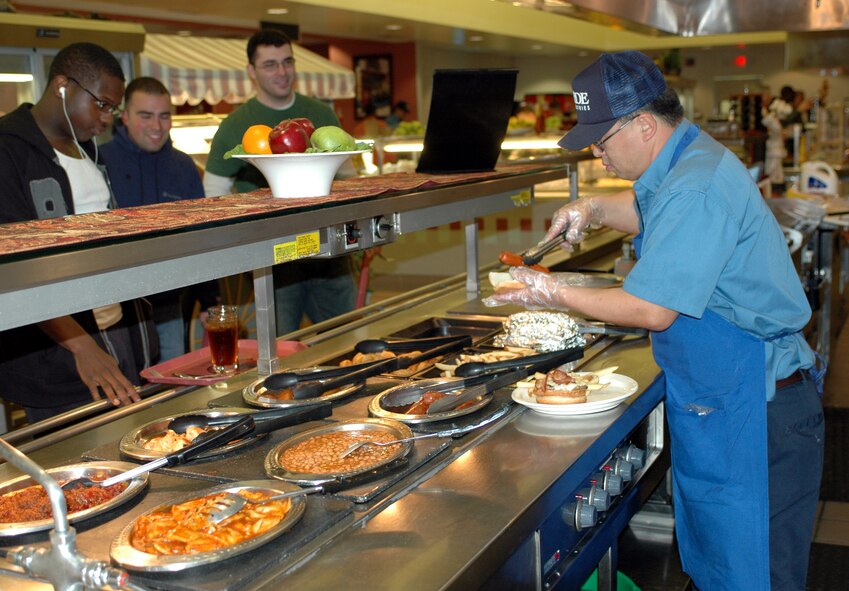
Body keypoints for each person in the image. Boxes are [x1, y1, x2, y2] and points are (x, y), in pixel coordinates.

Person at [485, 51, 823, 591]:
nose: (597, 155)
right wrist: (593, 209)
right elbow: (648, 209)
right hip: (724, 400)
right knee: (724, 570)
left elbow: (651, 308)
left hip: (756, 411)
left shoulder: (696, 184)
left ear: (643, 124)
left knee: (758, 577)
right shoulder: (687, 159)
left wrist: (552, 289)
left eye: (601, 142)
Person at [0, 43, 157, 421]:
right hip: (57, 353)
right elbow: (15, 269)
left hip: (115, 328)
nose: (107, 118)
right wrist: (80, 346)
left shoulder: (85, 148)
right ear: (62, 85)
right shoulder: (8, 150)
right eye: (102, 104)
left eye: (112, 109)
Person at [204, 29, 355, 335]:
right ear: (252, 71)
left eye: (287, 62)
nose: (282, 72)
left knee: (346, 338)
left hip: (330, 257)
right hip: (273, 264)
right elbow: (214, 193)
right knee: (279, 352)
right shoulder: (234, 125)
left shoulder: (321, 113)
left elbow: (348, 178)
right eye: (270, 64)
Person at [101, 76, 218, 361]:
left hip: (168, 304)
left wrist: (209, 299)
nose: (156, 127)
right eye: (145, 116)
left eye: (164, 116)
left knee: (171, 387)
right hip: (115, 310)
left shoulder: (183, 166)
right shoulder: (99, 162)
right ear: (125, 116)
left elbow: (200, 236)